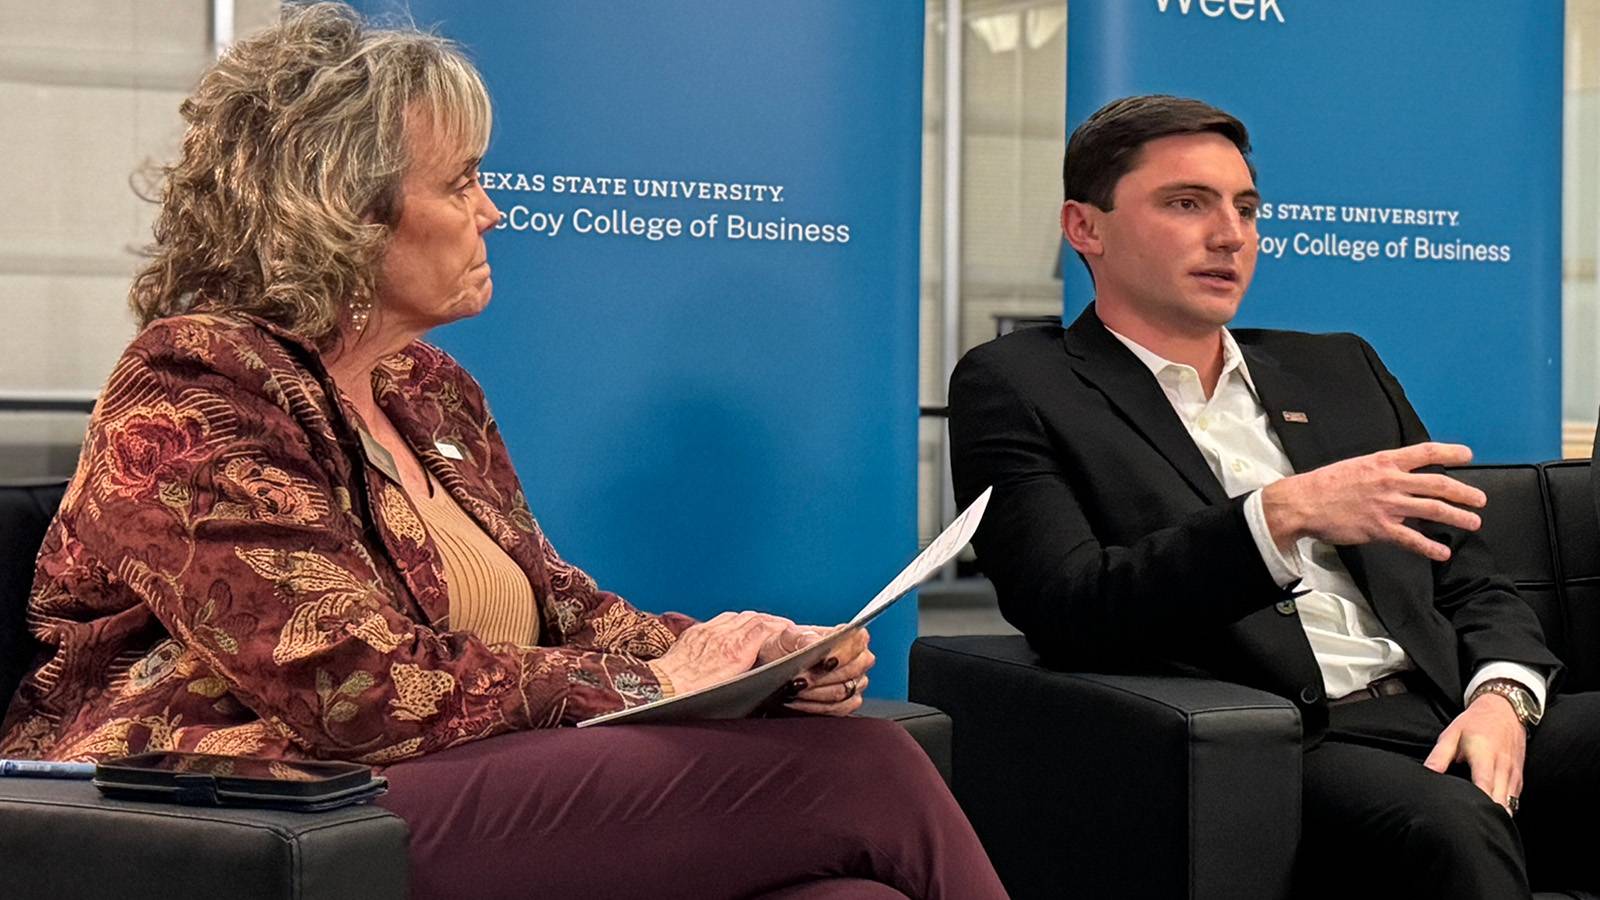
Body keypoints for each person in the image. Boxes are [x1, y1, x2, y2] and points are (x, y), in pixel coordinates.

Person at [0, 6, 1008, 898]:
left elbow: (563, 608)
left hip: (423, 783)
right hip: (249, 813)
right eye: (463, 183)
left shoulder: (429, 388)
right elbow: (347, 688)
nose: (494, 211)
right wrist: (662, 686)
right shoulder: (194, 386)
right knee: (867, 772)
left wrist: (749, 655)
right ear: (340, 211)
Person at [948, 93, 1600, 899]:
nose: (1231, 236)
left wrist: (1504, 699)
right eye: (1187, 204)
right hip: (1289, 738)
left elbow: (1468, 574)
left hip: (1452, 704)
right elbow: (1067, 603)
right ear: (1086, 228)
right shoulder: (1020, 385)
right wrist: (1278, 517)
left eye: (1246, 208)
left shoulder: (1339, 369)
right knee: (1448, 829)